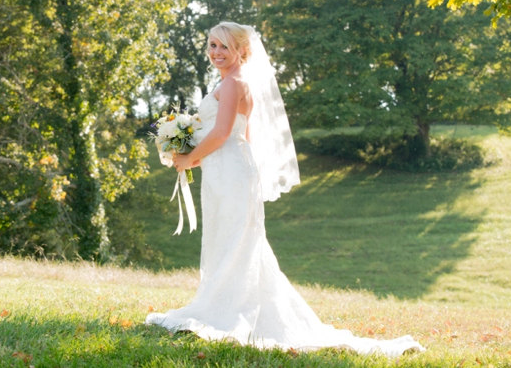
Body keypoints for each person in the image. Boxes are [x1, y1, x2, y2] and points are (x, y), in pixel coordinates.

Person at [145, 22, 424, 357]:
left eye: (224, 47)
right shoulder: (233, 82)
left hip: (231, 173)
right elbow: (238, 138)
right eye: (212, 45)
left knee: (236, 241)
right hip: (227, 170)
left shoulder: (234, 83)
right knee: (231, 239)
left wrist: (189, 158)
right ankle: (219, 303)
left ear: (241, 51)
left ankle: (225, 310)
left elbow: (220, 134)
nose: (216, 53)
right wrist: (202, 160)